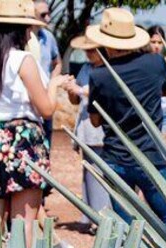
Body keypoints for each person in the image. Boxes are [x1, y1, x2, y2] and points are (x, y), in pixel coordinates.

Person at [0, 0, 68, 248]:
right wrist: (56, 85)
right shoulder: (23, 60)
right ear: (21, 30)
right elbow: (46, 108)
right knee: (25, 219)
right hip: (22, 138)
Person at [85, 8, 166, 239]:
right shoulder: (155, 62)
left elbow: (96, 121)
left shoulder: (99, 76)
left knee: (124, 225)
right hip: (151, 157)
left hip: (117, 159)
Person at [65, 34, 111, 233]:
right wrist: (71, 90)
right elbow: (77, 101)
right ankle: (89, 213)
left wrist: (81, 90)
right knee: (88, 172)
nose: (89, 53)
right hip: (85, 125)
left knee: (99, 174)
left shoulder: (108, 70)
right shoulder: (85, 68)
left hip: (100, 127)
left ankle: (101, 217)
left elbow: (101, 93)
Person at [34, 0, 60, 142]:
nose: (48, 19)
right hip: (28, 100)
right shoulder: (19, 38)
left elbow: (57, 63)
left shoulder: (49, 38)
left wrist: (52, 82)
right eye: (43, 15)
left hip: (46, 96)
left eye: (49, 14)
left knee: (47, 140)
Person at [146, 25, 166, 138]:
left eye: (160, 42)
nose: (157, 46)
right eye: (153, 42)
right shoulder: (143, 63)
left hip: (163, 113)